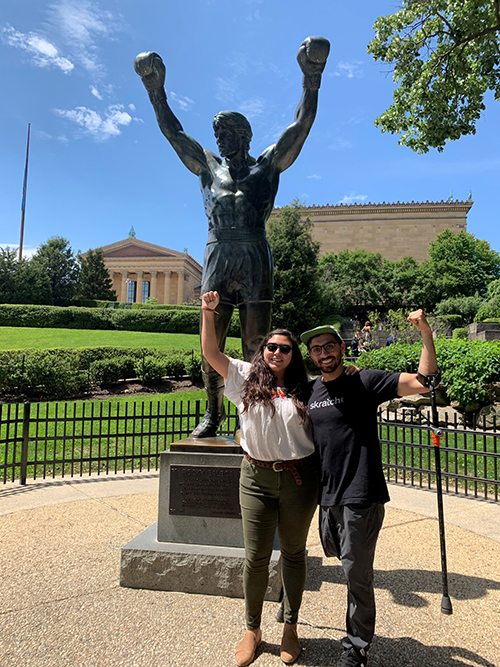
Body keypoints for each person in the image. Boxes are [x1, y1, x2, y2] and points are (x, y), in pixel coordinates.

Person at [133, 36, 330, 437]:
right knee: (212, 338)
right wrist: (156, 92)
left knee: (258, 342)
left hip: (255, 251)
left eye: (227, 134)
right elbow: (174, 134)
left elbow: (301, 126)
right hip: (218, 251)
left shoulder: (268, 166)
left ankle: (253, 412)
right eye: (217, 134)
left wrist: (312, 78)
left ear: (244, 136)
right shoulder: (208, 166)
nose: (220, 140)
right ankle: (212, 412)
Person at [300, 310, 438, 667]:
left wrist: (425, 333)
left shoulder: (365, 382)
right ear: (311, 356)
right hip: (327, 496)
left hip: (360, 494)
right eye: (316, 349)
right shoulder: (311, 390)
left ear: (342, 348)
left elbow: (424, 381)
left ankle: (357, 646)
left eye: (330, 346)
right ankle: (356, 635)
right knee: (340, 558)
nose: (324, 353)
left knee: (355, 573)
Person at [200, 290, 317, 666]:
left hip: (299, 482)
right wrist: (208, 312)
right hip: (255, 479)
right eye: (271, 347)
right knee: (255, 558)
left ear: (293, 355)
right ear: (262, 349)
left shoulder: (310, 388)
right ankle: (252, 629)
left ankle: (291, 626)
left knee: (295, 554)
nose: (276, 353)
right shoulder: (245, 376)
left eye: (284, 349)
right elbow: (210, 354)